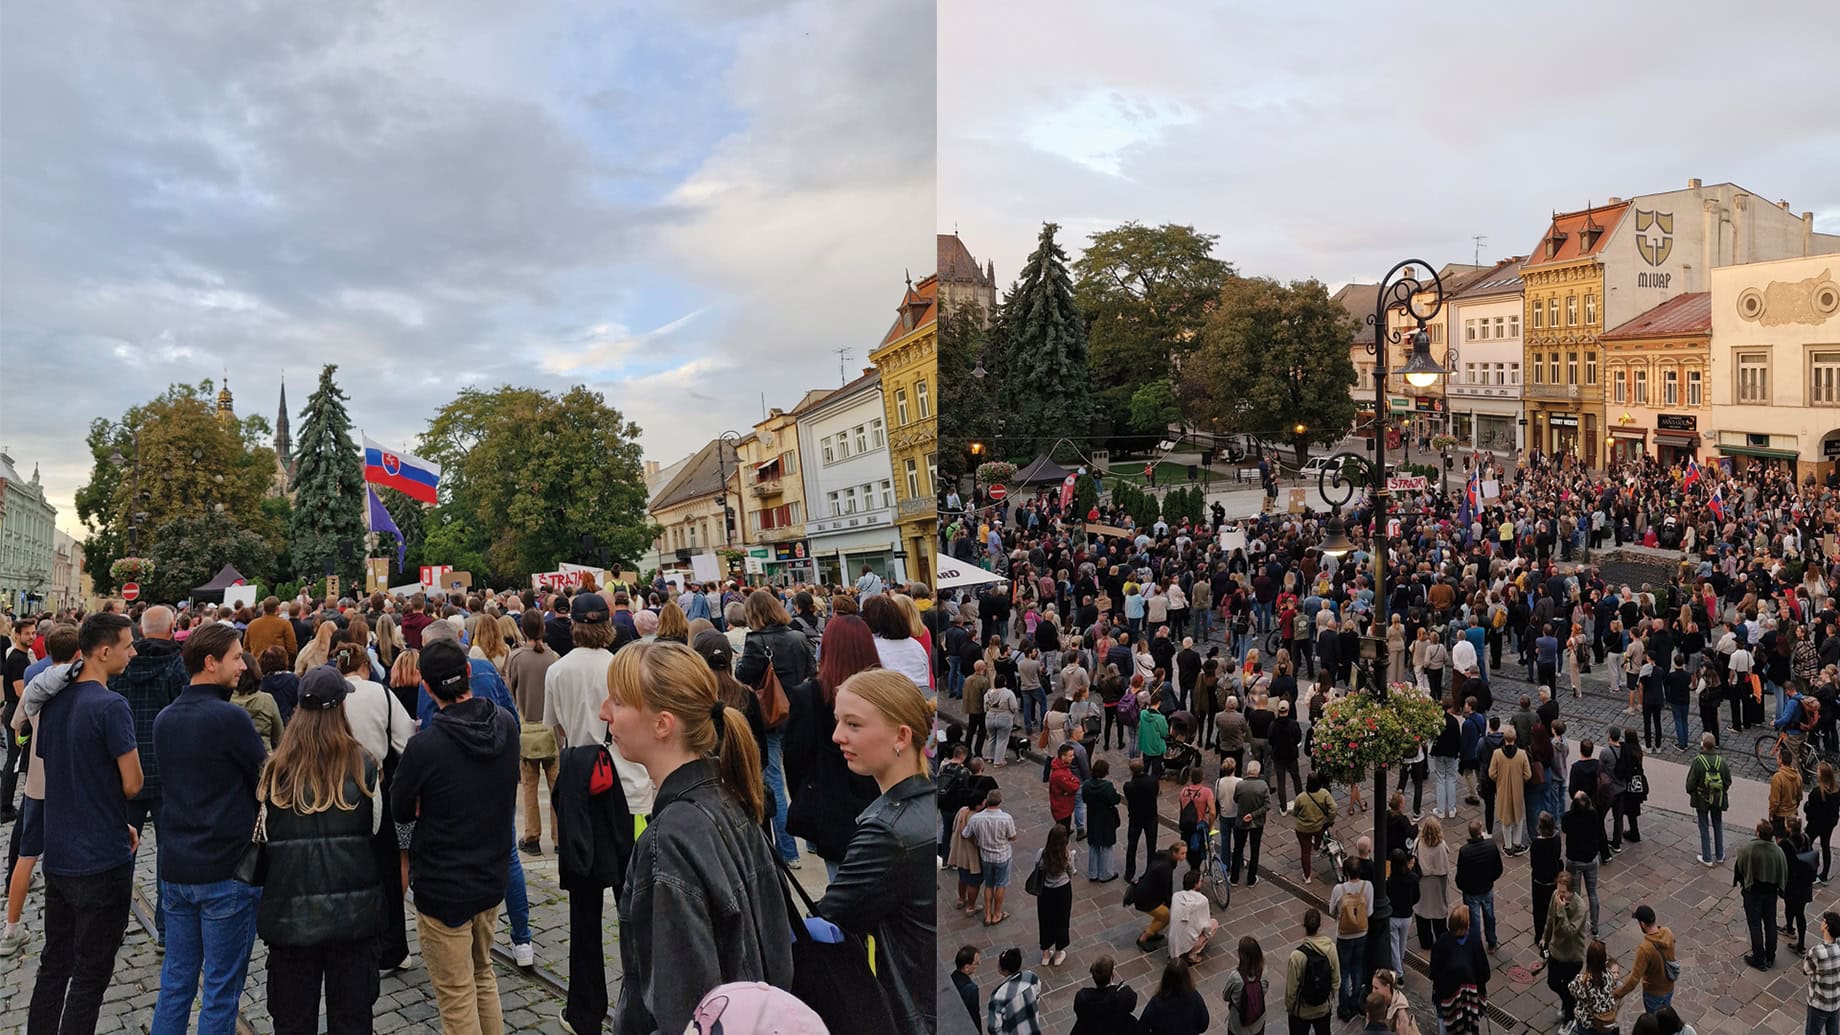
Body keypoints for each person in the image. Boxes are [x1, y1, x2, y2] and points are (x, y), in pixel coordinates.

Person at [603, 639, 793, 1034]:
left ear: (662, 724)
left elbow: (686, 1007)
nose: (605, 712)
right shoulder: (731, 796)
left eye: (618, 702)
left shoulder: (670, 839)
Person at [390, 639, 520, 1034]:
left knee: (457, 992)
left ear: (426, 688)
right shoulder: (506, 725)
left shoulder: (425, 747)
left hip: (443, 884)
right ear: (468, 675)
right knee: (483, 976)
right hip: (490, 873)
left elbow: (400, 808)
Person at [149, 623, 268, 1034]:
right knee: (220, 990)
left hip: (177, 867)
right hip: (225, 871)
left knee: (176, 982)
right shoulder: (228, 717)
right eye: (236, 657)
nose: (242, 666)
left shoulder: (166, 718)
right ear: (211, 662)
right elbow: (264, 779)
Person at [257, 665, 389, 1034]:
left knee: (293, 1020)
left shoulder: (274, 772)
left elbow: (264, 838)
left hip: (290, 915)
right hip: (353, 916)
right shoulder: (363, 767)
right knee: (352, 1019)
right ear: (339, 709)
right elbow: (375, 830)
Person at [26, 613, 142, 1034]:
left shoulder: (55, 702)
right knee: (91, 975)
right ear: (104, 651)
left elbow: (52, 764)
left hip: (59, 854)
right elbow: (132, 783)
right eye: (128, 646)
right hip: (101, 860)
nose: (133, 653)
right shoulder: (111, 705)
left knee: (54, 964)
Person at [814, 667, 936, 1033]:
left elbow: (829, 919)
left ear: (901, 735)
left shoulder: (886, 832)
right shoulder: (924, 803)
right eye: (838, 722)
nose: (837, 736)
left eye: (853, 725)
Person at [110, 603, 187, 945]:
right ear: (171, 629)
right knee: (168, 852)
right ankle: (167, 931)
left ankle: (113, 925)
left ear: (141, 631)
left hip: (126, 768)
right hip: (167, 768)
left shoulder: (121, 665)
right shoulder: (178, 665)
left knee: (120, 849)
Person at [784, 614, 881, 881]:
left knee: (843, 895)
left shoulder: (810, 696)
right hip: (878, 803)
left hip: (832, 809)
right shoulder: (884, 692)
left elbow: (795, 759)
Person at [505, 609, 559, 854]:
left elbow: (510, 692)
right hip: (551, 728)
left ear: (523, 630)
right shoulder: (554, 658)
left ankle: (532, 836)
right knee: (556, 786)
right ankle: (559, 838)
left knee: (528, 786)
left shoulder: (516, 658)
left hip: (527, 727)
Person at [1736, 818, 1789, 970]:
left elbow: (1740, 868)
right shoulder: (1778, 851)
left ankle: (1758, 958)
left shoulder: (1749, 849)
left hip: (1753, 892)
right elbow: (1783, 872)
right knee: (1770, 923)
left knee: (1754, 924)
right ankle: (1770, 956)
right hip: (1771, 893)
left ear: (1758, 833)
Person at [1431, 904, 1491, 1035]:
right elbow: (1483, 970)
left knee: (1445, 1026)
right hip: (1470, 997)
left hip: (1447, 997)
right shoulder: (1474, 938)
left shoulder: (1442, 941)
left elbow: (1434, 970)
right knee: (1468, 1029)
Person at [964, 788, 1019, 927]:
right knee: (1001, 884)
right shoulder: (1006, 818)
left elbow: (966, 834)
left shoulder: (976, 818)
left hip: (986, 857)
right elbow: (1012, 836)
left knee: (989, 885)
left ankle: (987, 915)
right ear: (1000, 801)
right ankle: (997, 913)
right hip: (1002, 856)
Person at [1329, 857, 1374, 1021]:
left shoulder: (1338, 889)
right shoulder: (1367, 886)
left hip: (1344, 935)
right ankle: (1356, 1001)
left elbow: (1331, 910)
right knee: (1357, 968)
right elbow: (1369, 912)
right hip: (1361, 933)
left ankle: (1344, 1005)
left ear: (1345, 872)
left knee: (1344, 970)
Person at [1613, 904, 1678, 1015]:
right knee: (1666, 1019)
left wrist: (1616, 994)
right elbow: (1673, 942)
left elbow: (1633, 979)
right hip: (1669, 987)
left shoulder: (1645, 949)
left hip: (1653, 993)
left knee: (1655, 1024)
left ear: (1642, 923)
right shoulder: (1668, 932)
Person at [1544, 871, 1589, 1030]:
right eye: (1558, 889)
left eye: (1563, 891)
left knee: (1570, 988)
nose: (1559, 894)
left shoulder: (1580, 907)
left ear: (1571, 891)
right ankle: (1569, 1002)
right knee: (1553, 982)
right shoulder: (1556, 895)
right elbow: (1550, 917)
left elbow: (1570, 931)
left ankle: (1570, 1017)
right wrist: (1545, 938)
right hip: (1556, 950)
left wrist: (1562, 910)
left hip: (1572, 955)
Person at [1285, 907, 1338, 1035]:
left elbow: (1291, 990)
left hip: (1302, 1011)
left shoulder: (1296, 956)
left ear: (1304, 926)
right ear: (1320, 925)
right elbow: (1336, 979)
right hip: (1323, 1008)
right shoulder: (1330, 948)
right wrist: (1329, 997)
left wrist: (1290, 1008)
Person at [1455, 819, 1503, 953]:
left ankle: (1476, 946)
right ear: (1480, 831)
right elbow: (1498, 868)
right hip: (1486, 888)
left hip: (1471, 891)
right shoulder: (1491, 846)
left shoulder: (1465, 851)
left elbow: (1461, 873)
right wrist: (1490, 879)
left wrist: (1462, 886)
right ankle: (1492, 942)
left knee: (1474, 921)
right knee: (1490, 916)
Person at [1562, 791, 1606, 937]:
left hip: (1575, 860)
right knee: (1592, 892)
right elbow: (1600, 832)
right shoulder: (1594, 815)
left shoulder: (1568, 817)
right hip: (1591, 859)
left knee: (1575, 894)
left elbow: (1564, 828)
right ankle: (1594, 926)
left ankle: (1577, 923)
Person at [1684, 731, 1731, 866]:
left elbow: (1690, 784)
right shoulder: (1721, 762)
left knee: (1704, 826)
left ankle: (1707, 857)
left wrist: (1693, 792)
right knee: (1718, 824)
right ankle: (1720, 854)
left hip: (1701, 799)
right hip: (1717, 799)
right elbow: (1728, 780)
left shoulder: (1698, 761)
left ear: (1703, 745)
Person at [1413, 816, 1454, 950]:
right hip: (1437, 884)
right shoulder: (1441, 846)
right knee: (1439, 915)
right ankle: (1441, 941)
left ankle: (1426, 942)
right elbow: (1445, 868)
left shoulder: (1419, 842)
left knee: (1422, 913)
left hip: (1423, 883)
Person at [1138, 960, 1210, 1035]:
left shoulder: (1156, 1003)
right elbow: (1203, 1025)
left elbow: (1142, 1028)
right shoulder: (1195, 997)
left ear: (1165, 978)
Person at [1071, 955, 1138, 1035]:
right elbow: (1132, 1005)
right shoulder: (1122, 995)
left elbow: (1078, 1011)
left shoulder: (1083, 997)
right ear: (1111, 976)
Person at [1133, 843, 1183, 951]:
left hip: (1146, 894)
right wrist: (1169, 901)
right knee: (1165, 917)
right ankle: (1144, 938)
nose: (1184, 856)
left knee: (1161, 915)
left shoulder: (1163, 859)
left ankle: (1153, 931)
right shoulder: (1166, 867)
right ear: (1174, 853)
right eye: (1182, 853)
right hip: (1146, 898)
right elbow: (1164, 887)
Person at [1169, 866, 1219, 966]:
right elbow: (1206, 926)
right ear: (1196, 884)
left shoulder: (1176, 896)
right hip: (1189, 940)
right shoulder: (1202, 900)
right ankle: (1192, 954)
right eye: (1201, 881)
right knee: (1214, 923)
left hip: (1174, 943)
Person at [986, 946, 1043, 1035]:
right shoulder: (1031, 977)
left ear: (1003, 970)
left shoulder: (998, 996)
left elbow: (994, 1027)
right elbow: (1037, 992)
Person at [1232, 759, 1270, 887]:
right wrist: (1253, 815)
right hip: (1257, 823)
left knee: (1238, 849)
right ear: (1258, 772)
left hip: (1241, 820)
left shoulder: (1240, 785)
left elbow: (1236, 799)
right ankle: (1251, 878)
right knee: (1255, 850)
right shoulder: (1263, 785)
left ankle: (1234, 877)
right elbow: (1267, 805)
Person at [1569, 940, 1621, 1035]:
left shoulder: (1581, 980)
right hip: (1605, 1022)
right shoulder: (1609, 975)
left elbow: (1572, 990)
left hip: (1588, 1023)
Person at [1292, 772, 1337, 882]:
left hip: (1302, 828)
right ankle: (1317, 846)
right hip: (1318, 826)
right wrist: (1330, 819)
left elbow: (1295, 812)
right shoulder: (1324, 794)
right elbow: (1334, 808)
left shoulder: (1301, 797)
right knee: (1320, 833)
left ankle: (1307, 876)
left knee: (1305, 851)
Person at [1082, 759, 1121, 881]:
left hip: (1092, 816)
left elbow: (1084, 798)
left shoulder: (1087, 784)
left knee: (1093, 844)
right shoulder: (1107, 786)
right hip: (1105, 817)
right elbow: (1114, 800)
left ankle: (1093, 873)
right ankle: (1106, 873)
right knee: (1106, 845)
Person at [1220, 935, 1268, 1035]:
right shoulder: (1264, 972)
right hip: (1258, 1023)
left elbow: (1226, 996)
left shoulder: (1236, 977)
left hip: (1238, 1026)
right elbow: (1264, 990)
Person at [1123, 758, 1160, 883]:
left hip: (1135, 818)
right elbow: (1156, 793)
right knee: (1151, 846)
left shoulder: (1129, 786)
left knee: (1132, 845)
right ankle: (1150, 872)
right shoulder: (1153, 781)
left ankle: (1129, 873)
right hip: (1151, 817)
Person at [1805, 910, 1840, 1035]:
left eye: (1823, 920)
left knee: (1812, 1032)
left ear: (1826, 926)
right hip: (1835, 1001)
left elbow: (1806, 969)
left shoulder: (1817, 952)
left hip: (1819, 1003)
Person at [952, 946, 983, 1034]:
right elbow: (974, 1015)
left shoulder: (952, 977)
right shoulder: (971, 989)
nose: (979, 963)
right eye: (976, 963)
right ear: (966, 967)